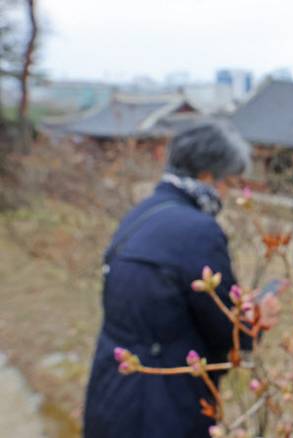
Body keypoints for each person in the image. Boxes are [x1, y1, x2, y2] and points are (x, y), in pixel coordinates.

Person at [84, 121, 277, 437]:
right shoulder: (199, 231)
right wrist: (257, 317)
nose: (227, 192)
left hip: (110, 390)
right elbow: (228, 333)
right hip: (163, 408)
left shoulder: (141, 213)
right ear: (206, 175)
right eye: (228, 181)